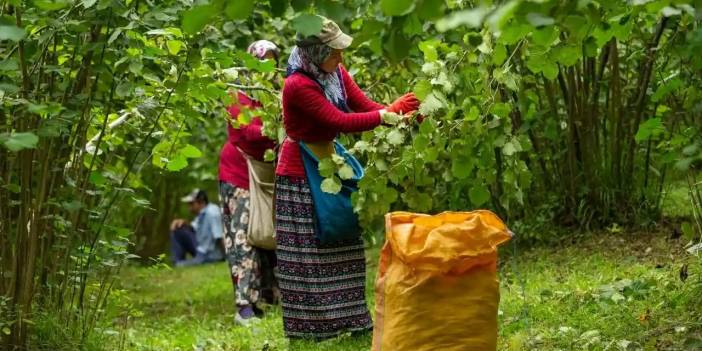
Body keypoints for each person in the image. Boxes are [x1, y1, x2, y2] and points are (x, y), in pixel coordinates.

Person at [275, 17, 420, 339]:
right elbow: (339, 119)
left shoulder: (336, 74)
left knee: (343, 236)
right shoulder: (297, 84)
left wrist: (400, 115)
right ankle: (313, 329)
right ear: (315, 51)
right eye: (334, 52)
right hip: (301, 171)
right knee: (310, 249)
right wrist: (386, 114)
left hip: (330, 163)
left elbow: (366, 107)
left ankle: (352, 319)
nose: (341, 58)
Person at [218, 40, 281, 326]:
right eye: (260, 61)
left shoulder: (275, 95)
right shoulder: (237, 96)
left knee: (269, 235)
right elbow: (250, 134)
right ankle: (244, 305)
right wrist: (279, 125)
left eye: (271, 61)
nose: (265, 67)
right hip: (239, 174)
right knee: (244, 237)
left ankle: (270, 295)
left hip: (268, 175)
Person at [170, 189, 225, 267]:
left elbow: (219, 236)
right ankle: (177, 261)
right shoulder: (202, 213)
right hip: (201, 249)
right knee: (178, 230)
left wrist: (227, 258)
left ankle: (178, 264)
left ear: (201, 202)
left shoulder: (212, 213)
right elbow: (193, 228)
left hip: (210, 254)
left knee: (180, 265)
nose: (189, 207)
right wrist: (183, 222)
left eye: (191, 203)